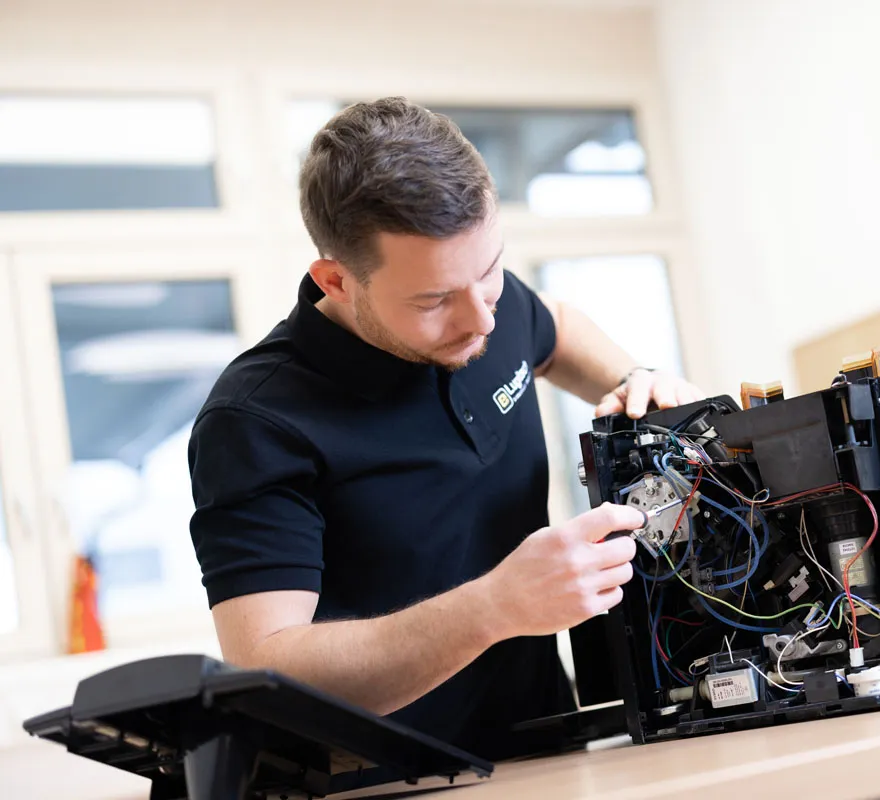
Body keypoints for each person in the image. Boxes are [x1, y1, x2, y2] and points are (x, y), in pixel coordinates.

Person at [187, 97, 705, 760]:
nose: (482, 320)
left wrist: (636, 377)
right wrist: (494, 607)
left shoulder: (483, 304)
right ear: (336, 280)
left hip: (547, 745)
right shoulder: (256, 422)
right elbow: (270, 670)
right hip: (385, 782)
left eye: (489, 272)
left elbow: (552, 326)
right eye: (433, 300)